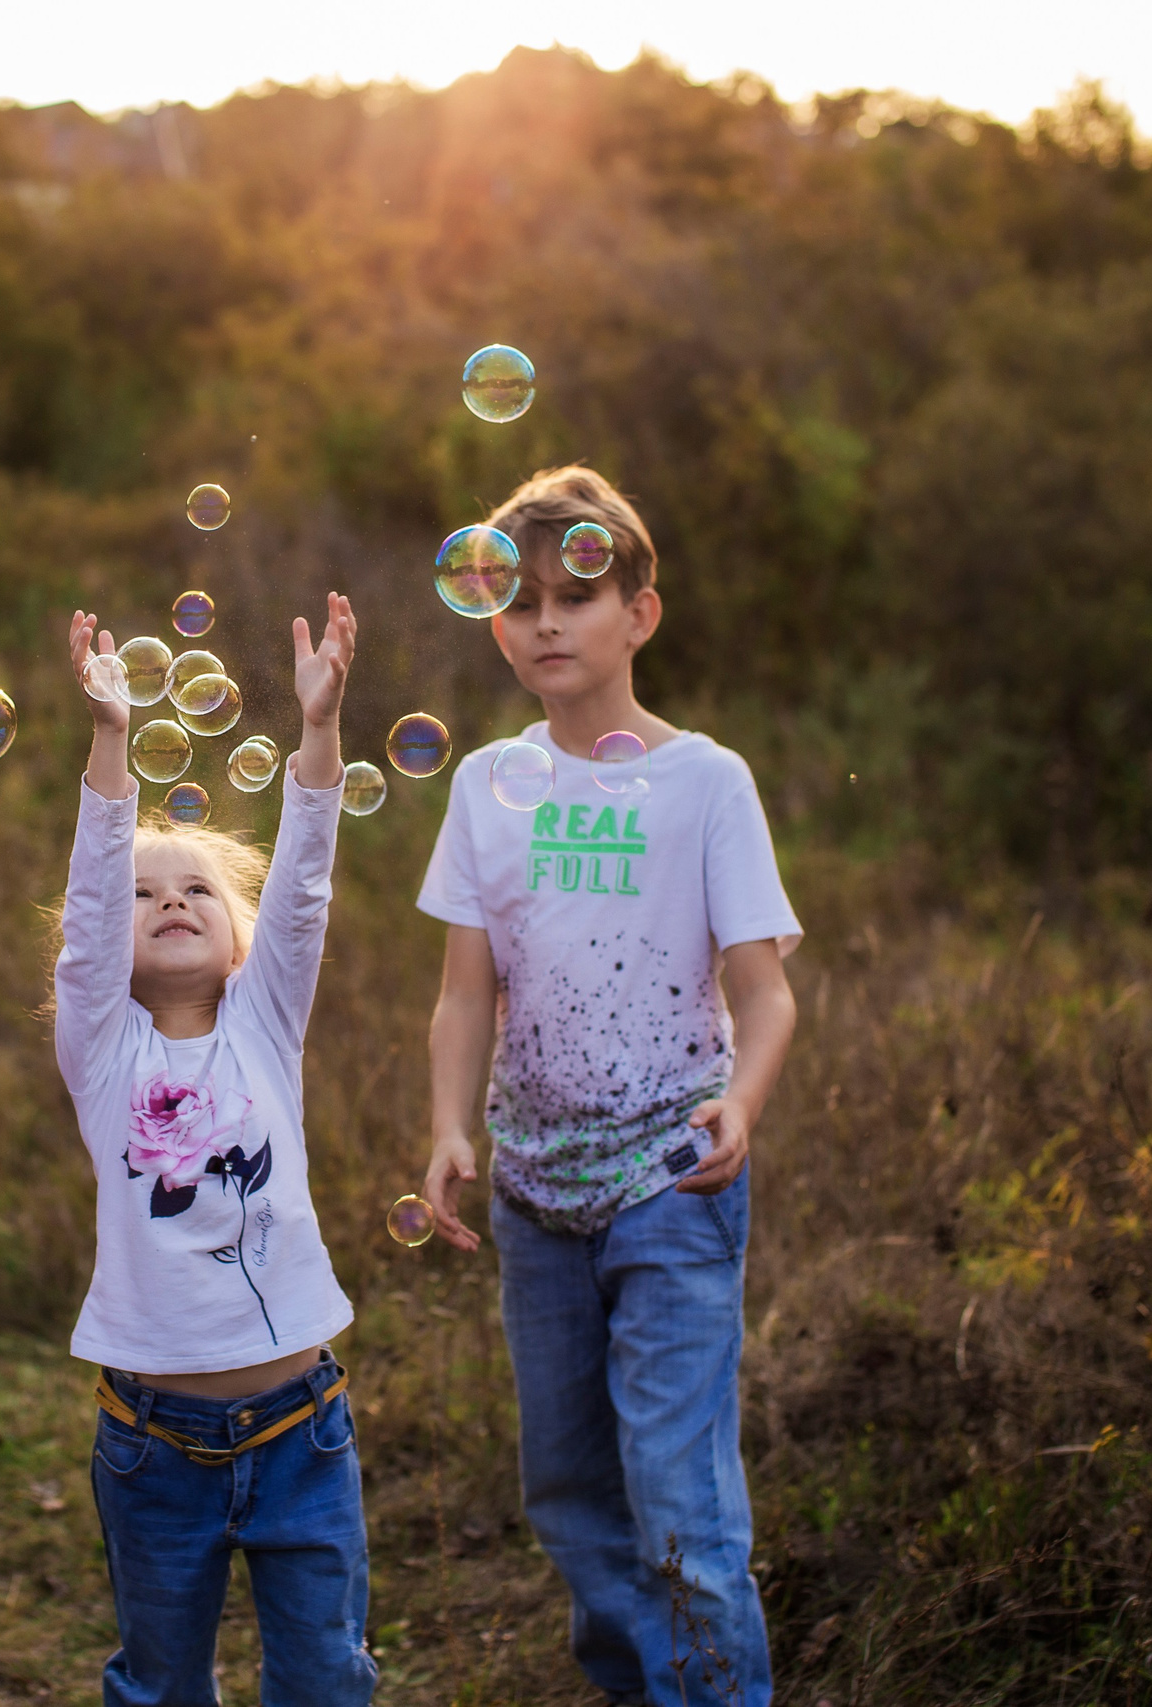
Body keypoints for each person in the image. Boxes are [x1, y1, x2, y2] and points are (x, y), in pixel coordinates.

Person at [415, 466, 800, 1707]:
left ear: (639, 612)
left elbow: (763, 989)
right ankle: (642, 1689)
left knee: (679, 1497)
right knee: (570, 1493)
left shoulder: (704, 782)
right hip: (532, 1192)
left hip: (669, 1181)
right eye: (516, 601)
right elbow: (466, 991)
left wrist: (739, 1104)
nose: (542, 623)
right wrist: (446, 1129)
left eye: (574, 598)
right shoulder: (485, 786)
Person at [53, 596, 377, 1707]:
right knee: (159, 1688)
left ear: (237, 934)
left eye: (197, 886)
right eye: (145, 892)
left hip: (303, 1436)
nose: (171, 898)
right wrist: (109, 740)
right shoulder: (101, 1050)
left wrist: (321, 733)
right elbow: (92, 910)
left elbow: (303, 895)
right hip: (151, 1450)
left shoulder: (263, 1026)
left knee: (324, 1681)